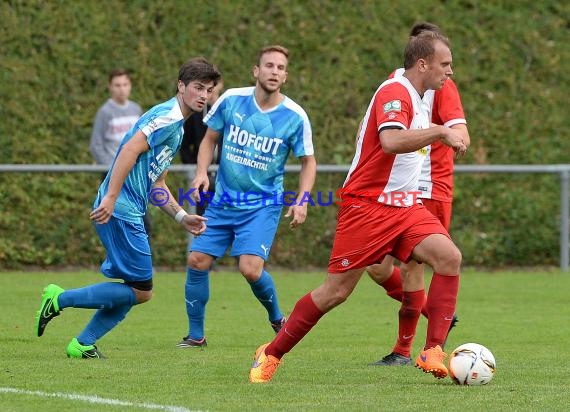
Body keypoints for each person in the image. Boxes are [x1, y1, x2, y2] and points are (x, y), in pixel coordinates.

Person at [249, 30, 467, 383]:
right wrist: (440, 132)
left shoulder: (423, 95)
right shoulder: (395, 91)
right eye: (446, 64)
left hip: (405, 207)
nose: (451, 71)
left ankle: (433, 350)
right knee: (336, 292)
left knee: (449, 258)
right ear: (422, 64)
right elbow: (391, 140)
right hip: (368, 206)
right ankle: (271, 353)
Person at [35, 57, 222, 358]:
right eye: (198, 88)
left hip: (126, 209)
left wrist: (181, 216)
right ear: (181, 86)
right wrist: (110, 197)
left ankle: (82, 344)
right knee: (141, 290)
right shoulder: (166, 117)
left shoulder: (177, 129)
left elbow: (157, 184)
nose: (203, 95)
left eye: (209, 90)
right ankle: (60, 299)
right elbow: (129, 149)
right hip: (120, 210)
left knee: (135, 289)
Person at [177, 45, 316, 349]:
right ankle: (195, 336)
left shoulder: (294, 116)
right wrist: (201, 172)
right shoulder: (231, 100)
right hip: (224, 202)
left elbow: (308, 161)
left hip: (262, 206)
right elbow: (210, 137)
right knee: (197, 260)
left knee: (250, 268)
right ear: (256, 71)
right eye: (269, 65)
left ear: (285, 76)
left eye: (280, 68)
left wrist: (302, 199)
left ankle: (278, 319)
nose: (274, 72)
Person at [368, 22, 471, 367]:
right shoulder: (396, 81)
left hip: (429, 187)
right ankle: (434, 313)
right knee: (377, 267)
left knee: (412, 267)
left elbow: (460, 131)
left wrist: (451, 135)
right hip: (395, 187)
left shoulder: (444, 87)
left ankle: (405, 349)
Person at [89, 69, 152, 236]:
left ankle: (141, 260)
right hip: (114, 177)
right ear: (110, 87)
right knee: (116, 223)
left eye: (125, 84)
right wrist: (113, 170)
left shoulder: (136, 109)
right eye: (117, 85)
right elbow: (96, 145)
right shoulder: (105, 112)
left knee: (143, 223)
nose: (121, 89)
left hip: (134, 175)